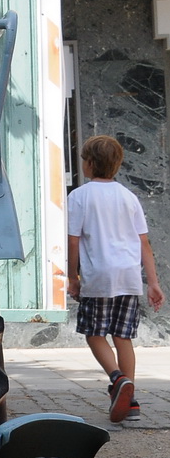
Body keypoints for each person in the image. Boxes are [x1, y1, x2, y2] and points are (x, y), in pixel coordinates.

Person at [68, 134, 164, 422]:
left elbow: (74, 242)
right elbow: (143, 242)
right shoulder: (129, 197)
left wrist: (73, 277)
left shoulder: (80, 196)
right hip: (129, 275)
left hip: (99, 276)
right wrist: (154, 282)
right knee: (123, 337)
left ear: (88, 164)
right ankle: (130, 402)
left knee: (94, 333)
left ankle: (117, 378)